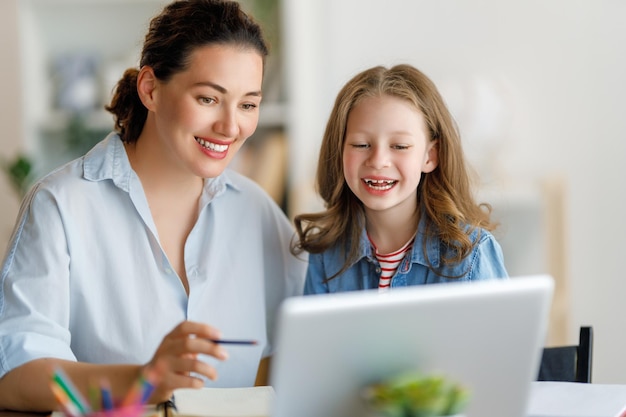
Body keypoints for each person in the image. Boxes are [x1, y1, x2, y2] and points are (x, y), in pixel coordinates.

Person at [0, 0, 306, 411]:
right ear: (150, 89)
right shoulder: (62, 204)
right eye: (208, 99)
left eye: (248, 104)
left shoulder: (256, 210)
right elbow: (16, 377)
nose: (231, 127)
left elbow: (306, 340)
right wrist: (143, 381)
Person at [291, 64, 508, 294]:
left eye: (400, 146)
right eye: (361, 145)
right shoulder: (325, 258)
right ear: (340, 150)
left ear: (430, 156)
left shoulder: (472, 254)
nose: (378, 161)